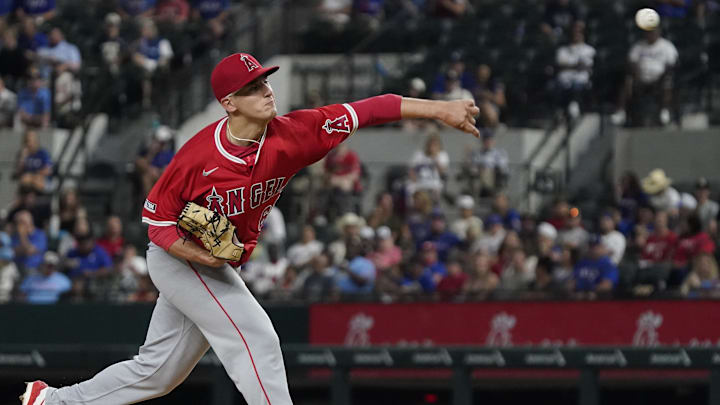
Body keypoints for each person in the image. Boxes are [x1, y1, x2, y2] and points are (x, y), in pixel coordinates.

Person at [21, 52, 480, 405]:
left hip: (212, 263)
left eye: (264, 80)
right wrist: (202, 256)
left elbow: (370, 109)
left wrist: (439, 110)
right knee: (257, 338)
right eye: (252, 86)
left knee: (157, 373)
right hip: (178, 256)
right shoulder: (195, 158)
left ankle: (53, 400)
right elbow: (157, 224)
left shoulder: (296, 134)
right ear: (228, 103)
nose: (266, 90)